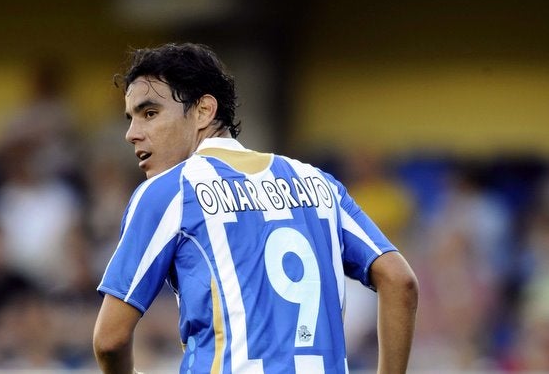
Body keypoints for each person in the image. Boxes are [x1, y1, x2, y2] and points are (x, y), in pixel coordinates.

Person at [93, 42, 419, 374]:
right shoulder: (318, 182)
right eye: (131, 119)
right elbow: (399, 280)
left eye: (150, 113)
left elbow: (110, 340)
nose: (132, 134)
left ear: (204, 110)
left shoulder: (169, 192)